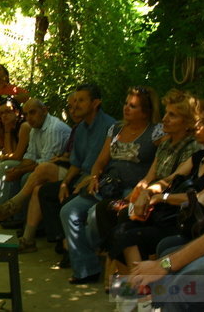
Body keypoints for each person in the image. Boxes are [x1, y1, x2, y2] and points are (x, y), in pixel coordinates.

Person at [60, 86, 163, 284]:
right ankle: (85, 269)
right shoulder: (115, 129)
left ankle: (94, 253)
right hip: (108, 184)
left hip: (132, 189)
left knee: (94, 215)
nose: (126, 108)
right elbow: (101, 161)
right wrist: (94, 176)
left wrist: (145, 186)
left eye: (133, 106)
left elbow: (163, 160)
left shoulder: (156, 132)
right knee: (68, 211)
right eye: (126, 103)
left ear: (146, 111)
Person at [108, 93, 204, 269]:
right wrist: (144, 192)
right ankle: (127, 277)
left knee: (126, 229)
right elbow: (163, 179)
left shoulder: (193, 147)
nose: (164, 119)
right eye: (165, 113)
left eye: (172, 115)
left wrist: (158, 197)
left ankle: (136, 278)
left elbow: (193, 194)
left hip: (178, 215)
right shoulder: (173, 147)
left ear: (187, 122)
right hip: (161, 205)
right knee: (115, 214)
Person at [35, 85, 115, 259]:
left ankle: (73, 249)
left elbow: (108, 164)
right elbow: (76, 163)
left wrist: (87, 180)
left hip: (99, 180)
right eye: (75, 100)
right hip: (81, 177)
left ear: (95, 103)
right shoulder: (79, 129)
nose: (76, 105)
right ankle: (62, 241)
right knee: (47, 192)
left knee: (69, 202)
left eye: (81, 100)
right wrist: (65, 183)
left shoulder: (110, 127)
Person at [0, 98, 72, 222]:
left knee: (25, 176)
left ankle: (18, 218)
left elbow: (46, 162)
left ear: (44, 110)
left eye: (32, 112)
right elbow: (30, 156)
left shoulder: (54, 128)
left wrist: (20, 171)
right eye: (26, 114)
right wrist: (17, 169)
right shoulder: (34, 128)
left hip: (59, 169)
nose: (29, 117)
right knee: (6, 166)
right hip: (42, 166)